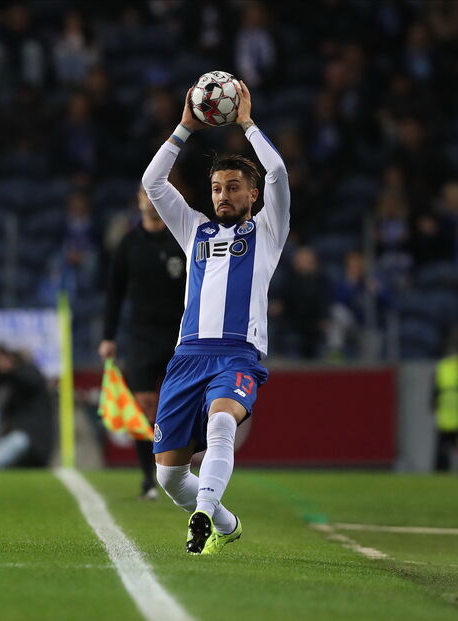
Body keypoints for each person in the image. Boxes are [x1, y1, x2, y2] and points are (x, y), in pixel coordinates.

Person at [142, 80, 289, 555]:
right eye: (216, 188)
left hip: (236, 356)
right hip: (187, 357)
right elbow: (153, 184)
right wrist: (185, 127)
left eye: (232, 188)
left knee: (222, 424)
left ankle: (203, 513)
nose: (222, 195)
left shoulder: (266, 231)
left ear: (252, 195)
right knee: (168, 475)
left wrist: (246, 123)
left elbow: (279, 172)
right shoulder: (194, 230)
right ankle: (223, 522)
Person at [99, 187, 186, 500]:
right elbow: (114, 292)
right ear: (137, 202)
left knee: (180, 406)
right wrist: (108, 336)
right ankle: (148, 479)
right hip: (140, 337)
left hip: (179, 337)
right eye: (144, 195)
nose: (149, 200)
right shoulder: (129, 243)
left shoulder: (181, 240)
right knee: (143, 406)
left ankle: (179, 473)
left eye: (154, 195)